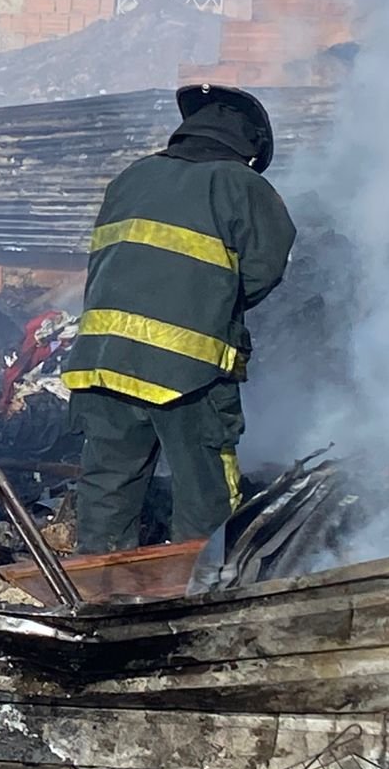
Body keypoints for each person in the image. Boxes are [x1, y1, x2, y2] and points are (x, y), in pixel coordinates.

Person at [63, 83, 296, 554]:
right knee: (205, 494)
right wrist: (208, 305)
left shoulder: (130, 177)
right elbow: (261, 272)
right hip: (187, 372)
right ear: (249, 150)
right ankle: (202, 605)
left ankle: (102, 599)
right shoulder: (243, 185)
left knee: (107, 490)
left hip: (101, 361)